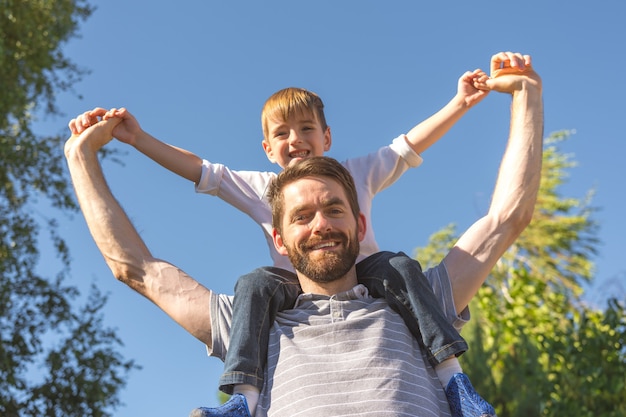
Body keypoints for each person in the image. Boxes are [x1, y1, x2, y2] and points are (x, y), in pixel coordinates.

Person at [65, 51, 542, 417]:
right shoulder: (256, 321)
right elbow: (139, 270)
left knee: (398, 264)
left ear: (359, 222)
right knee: (254, 282)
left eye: (334, 208)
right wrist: (83, 156)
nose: (320, 225)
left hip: (395, 294)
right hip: (276, 308)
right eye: (301, 217)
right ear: (278, 237)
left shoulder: (415, 300)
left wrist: (526, 96)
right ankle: (242, 402)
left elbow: (507, 216)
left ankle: (456, 383)